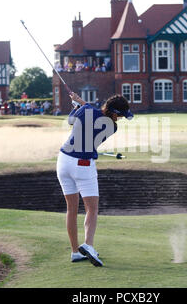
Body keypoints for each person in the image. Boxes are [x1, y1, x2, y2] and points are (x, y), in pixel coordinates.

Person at [56, 92, 133, 266]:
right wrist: (81, 103)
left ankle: (75, 252)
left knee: (72, 209)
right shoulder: (111, 127)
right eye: (120, 115)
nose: (120, 119)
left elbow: (73, 120)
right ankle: (88, 245)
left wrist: (77, 105)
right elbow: (93, 112)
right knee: (92, 209)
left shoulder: (86, 111)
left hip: (63, 161)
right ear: (113, 113)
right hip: (83, 165)